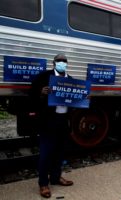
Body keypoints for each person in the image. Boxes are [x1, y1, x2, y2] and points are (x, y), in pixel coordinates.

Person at [30, 54, 74, 198]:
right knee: (46, 153)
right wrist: (41, 93)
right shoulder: (43, 77)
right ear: (54, 63)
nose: (62, 63)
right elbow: (31, 96)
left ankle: (55, 178)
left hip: (64, 121)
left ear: (67, 64)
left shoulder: (72, 81)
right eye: (59, 61)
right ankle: (43, 184)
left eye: (64, 61)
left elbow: (75, 103)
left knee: (60, 152)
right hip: (48, 121)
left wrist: (84, 99)